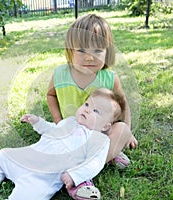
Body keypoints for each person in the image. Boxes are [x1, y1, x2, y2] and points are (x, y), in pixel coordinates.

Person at [0, 88, 131, 200]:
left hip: (44, 177)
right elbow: (51, 130)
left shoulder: (97, 140)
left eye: (95, 111)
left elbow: (94, 163)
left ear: (105, 126)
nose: (87, 109)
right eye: (87, 104)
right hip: (29, 158)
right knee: (3, 155)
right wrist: (38, 122)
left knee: (28, 195)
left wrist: (74, 175)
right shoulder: (69, 122)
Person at [46, 14, 138, 198]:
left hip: (101, 133)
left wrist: (128, 131)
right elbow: (51, 95)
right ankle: (81, 177)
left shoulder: (109, 78)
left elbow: (123, 104)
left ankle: (106, 154)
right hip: (72, 133)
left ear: (107, 52)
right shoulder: (60, 74)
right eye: (81, 50)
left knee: (121, 130)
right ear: (70, 51)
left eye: (97, 50)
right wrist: (58, 121)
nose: (89, 57)